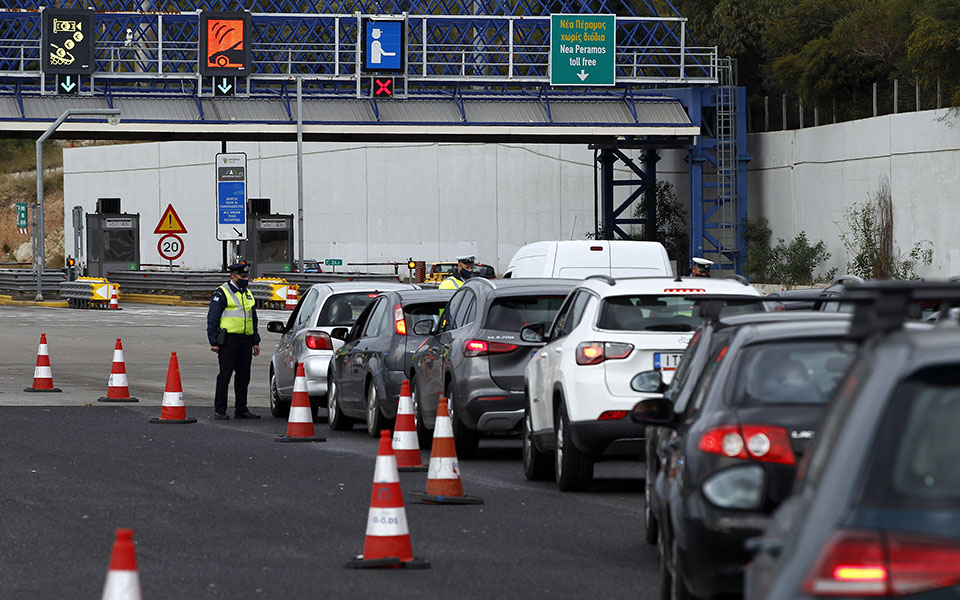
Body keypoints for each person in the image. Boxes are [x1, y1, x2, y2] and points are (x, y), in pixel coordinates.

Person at [207, 261, 261, 420]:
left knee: (244, 376)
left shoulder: (247, 293)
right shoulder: (222, 293)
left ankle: (241, 409)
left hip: (245, 340)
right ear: (233, 276)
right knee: (225, 375)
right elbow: (213, 318)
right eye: (242, 276)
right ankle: (220, 409)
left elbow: (253, 319)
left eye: (246, 276)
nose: (245, 278)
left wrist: (255, 341)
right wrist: (213, 342)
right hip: (229, 340)